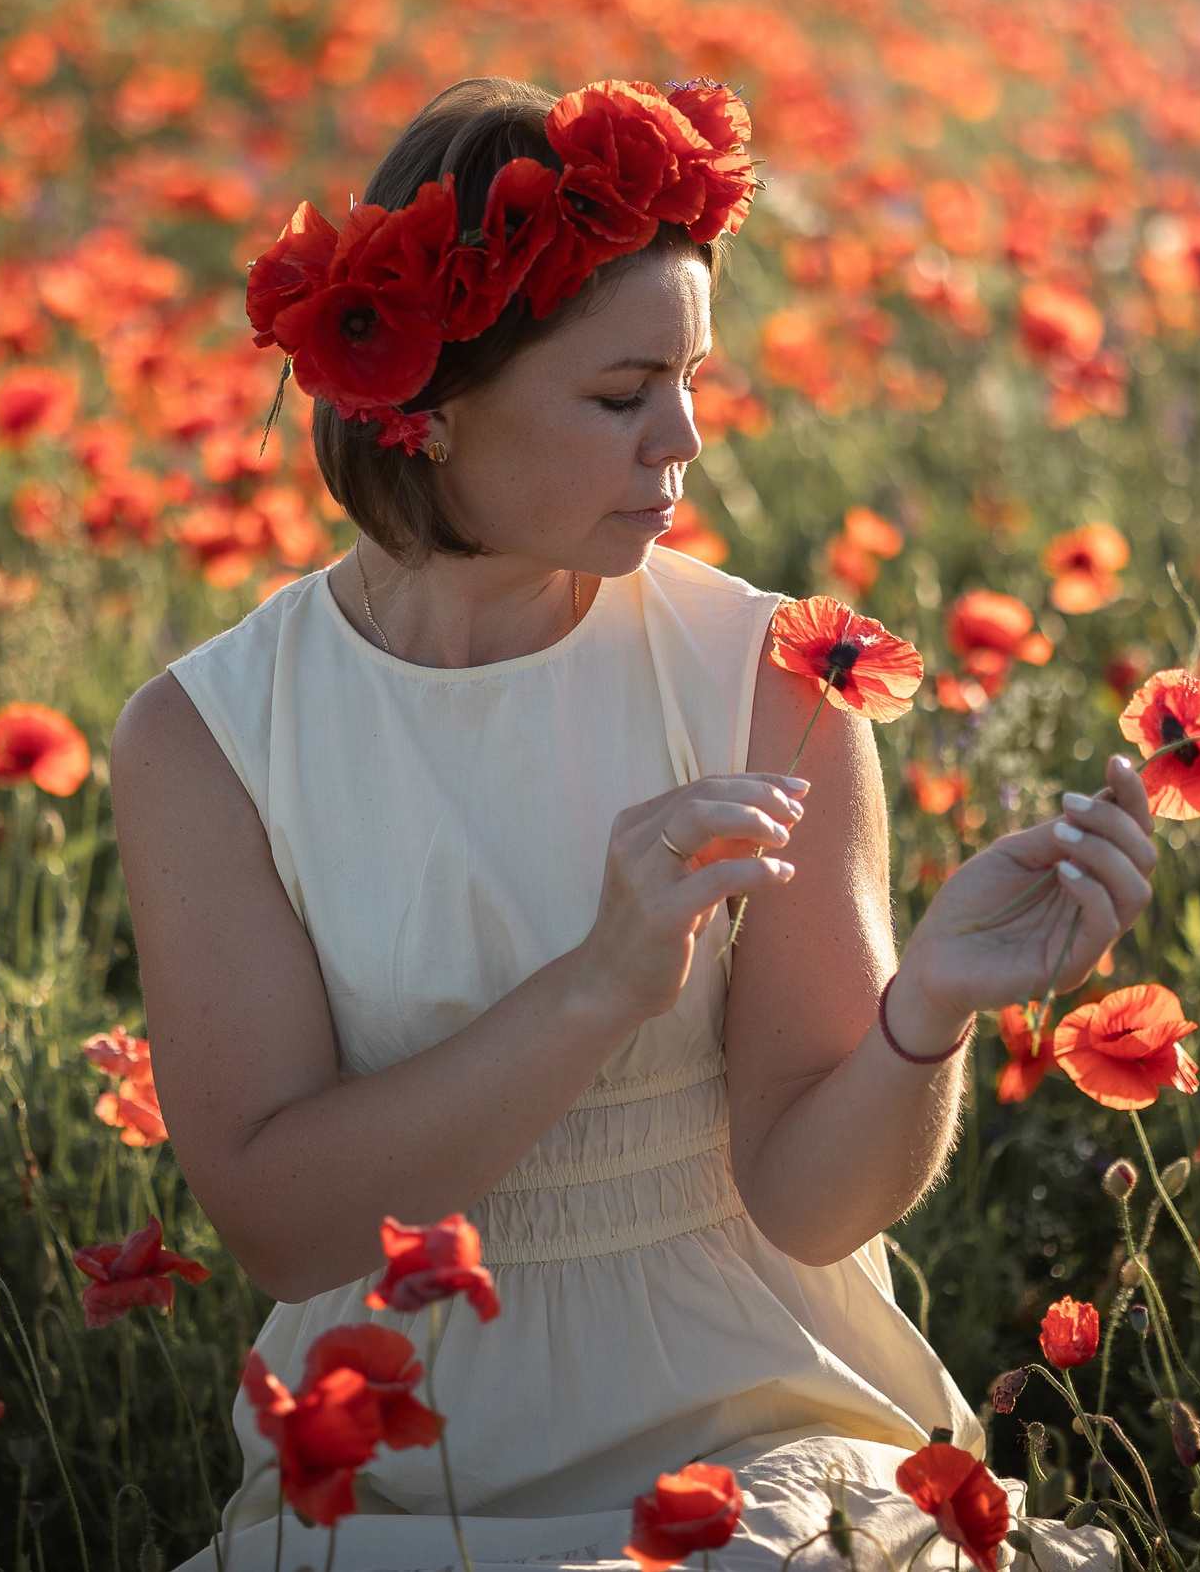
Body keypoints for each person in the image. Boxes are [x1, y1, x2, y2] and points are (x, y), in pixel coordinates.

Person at [110, 76, 1147, 1572]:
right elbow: (284, 1224)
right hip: (402, 1467)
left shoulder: (772, 677)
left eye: (694, 379)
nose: (683, 440)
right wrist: (600, 981)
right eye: (621, 394)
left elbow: (807, 1197)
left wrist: (927, 1010)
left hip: (755, 1433)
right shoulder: (211, 739)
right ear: (437, 407)